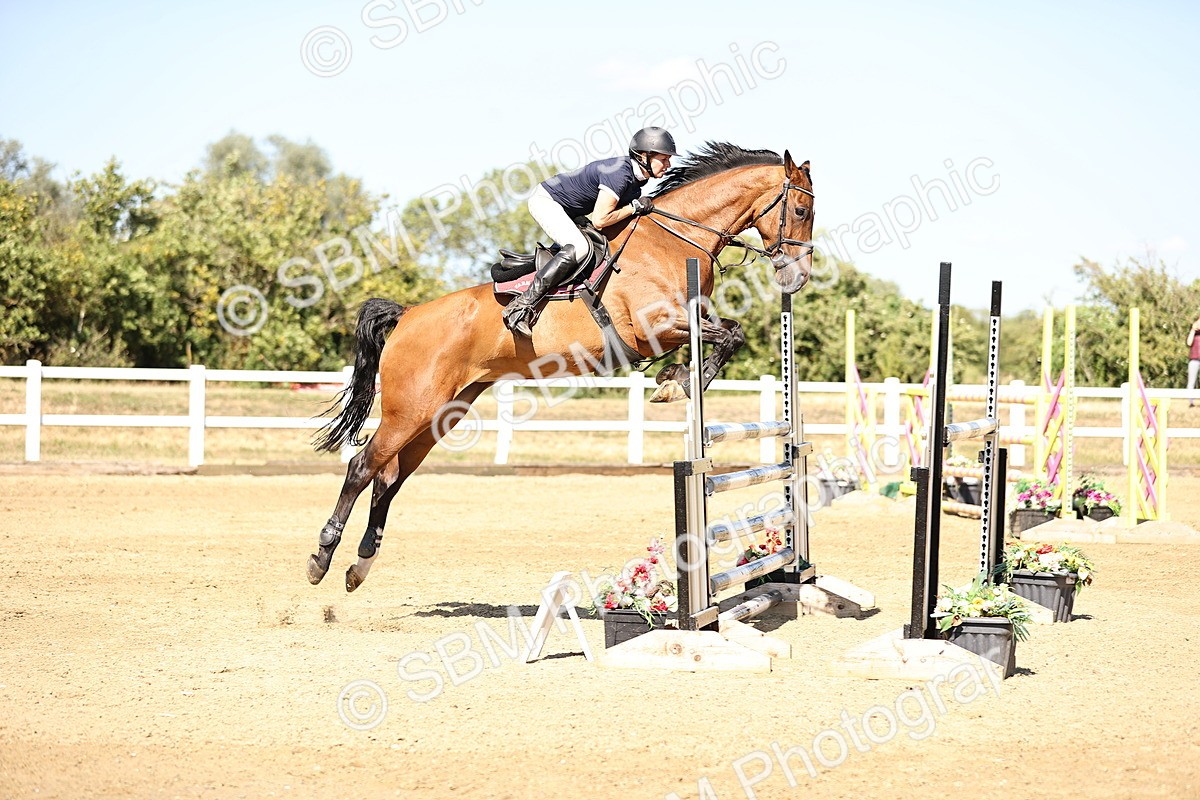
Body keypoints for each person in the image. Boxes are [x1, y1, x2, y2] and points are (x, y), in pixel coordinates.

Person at [502, 127, 679, 337]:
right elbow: (600, 219)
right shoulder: (620, 174)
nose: (668, 165)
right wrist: (633, 208)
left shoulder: (636, 182)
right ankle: (520, 307)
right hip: (547, 202)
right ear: (644, 156)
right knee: (580, 248)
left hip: (570, 211)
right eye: (665, 159)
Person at [1188, 316, 1200, 406]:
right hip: (1194, 359)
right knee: (1191, 382)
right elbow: (1189, 343)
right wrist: (1192, 330)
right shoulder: (1194, 333)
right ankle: (1191, 402)